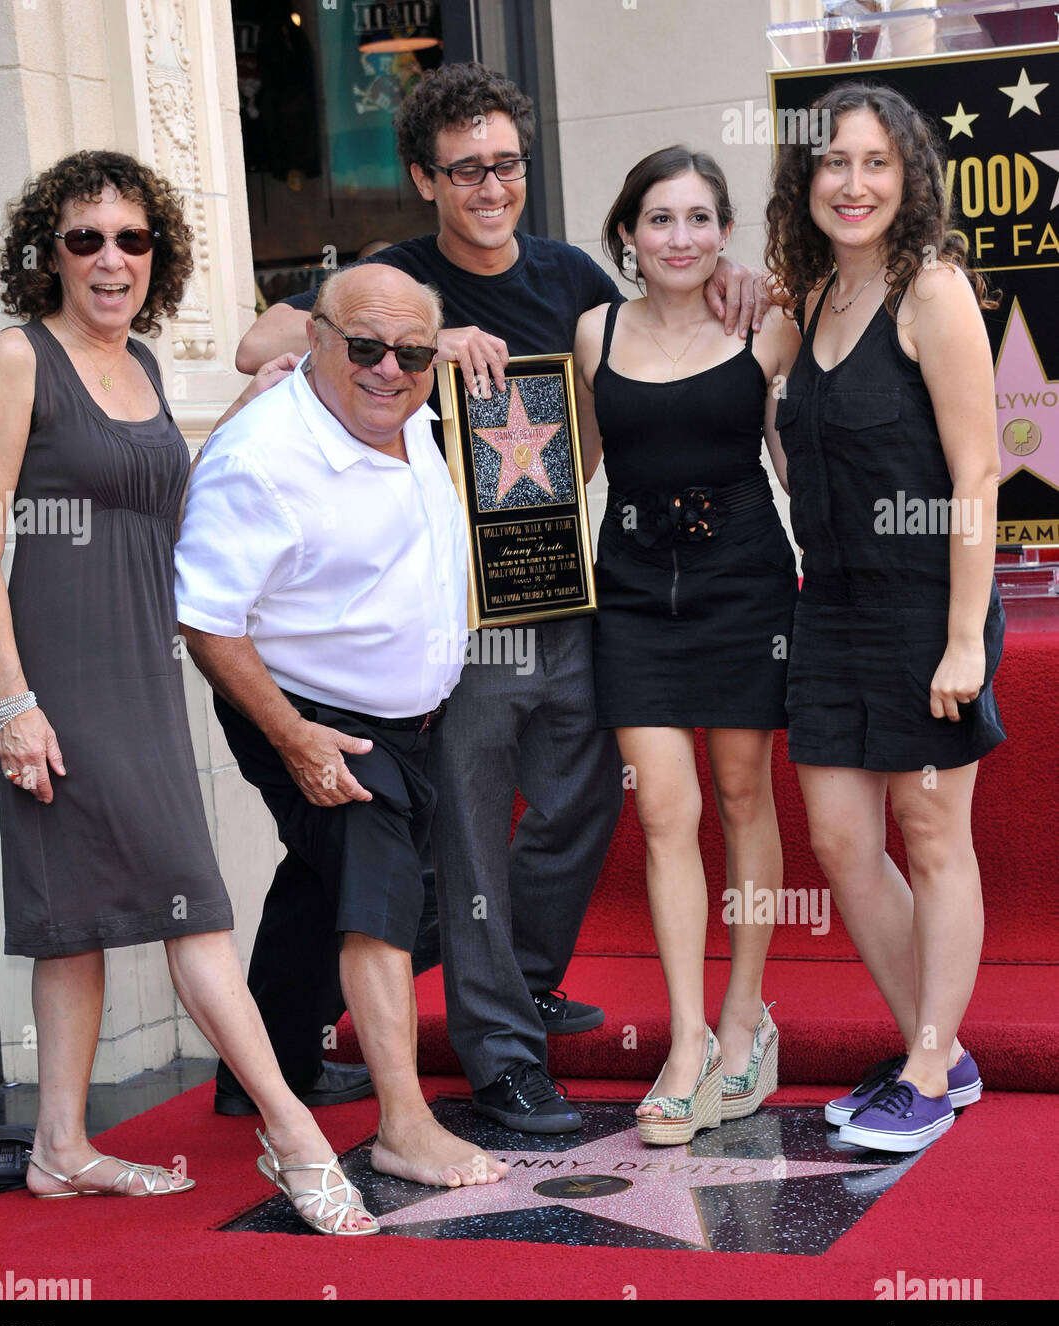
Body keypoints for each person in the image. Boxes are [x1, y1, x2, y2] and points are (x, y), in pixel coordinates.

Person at [232, 62, 770, 1133]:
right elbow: (258, 343)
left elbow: (651, 344)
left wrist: (730, 280)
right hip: (455, 610)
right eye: (465, 170)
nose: (490, 187)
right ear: (427, 180)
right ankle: (499, 1049)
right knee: (473, 828)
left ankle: (515, 973)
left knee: (585, 800)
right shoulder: (393, 274)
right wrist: (419, 336)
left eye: (507, 165)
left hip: (568, 588)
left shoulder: (571, 273)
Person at [0, 150, 377, 1234]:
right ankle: (294, 1133)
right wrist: (14, 700)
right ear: (47, 251)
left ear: (157, 255)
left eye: (131, 239)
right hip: (62, 679)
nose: (110, 259)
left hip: (146, 671)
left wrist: (244, 409)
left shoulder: (138, 363)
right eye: (85, 238)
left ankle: (59, 1148)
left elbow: (175, 511)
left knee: (74, 920)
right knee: (194, 900)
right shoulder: (17, 356)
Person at [175, 261, 508, 1188]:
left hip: (405, 714)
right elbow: (206, 619)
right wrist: (295, 738)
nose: (389, 369)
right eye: (364, 347)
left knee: (332, 883)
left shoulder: (412, 410)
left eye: (411, 351)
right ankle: (405, 1124)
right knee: (381, 898)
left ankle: (269, 1070)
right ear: (313, 340)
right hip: (313, 712)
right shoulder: (262, 455)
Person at [765, 84, 1004, 1153]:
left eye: (874, 164)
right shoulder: (809, 297)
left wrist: (962, 636)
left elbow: (977, 468)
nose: (851, 184)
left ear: (907, 179)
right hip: (831, 608)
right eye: (832, 164)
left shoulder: (931, 290)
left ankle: (925, 1061)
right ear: (804, 181)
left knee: (929, 832)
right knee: (841, 839)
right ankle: (937, 1051)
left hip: (925, 607)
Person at [573, 148, 800, 1144]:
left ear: (725, 231)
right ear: (627, 232)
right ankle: (685, 1040)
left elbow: (800, 462)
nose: (680, 238)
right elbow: (563, 462)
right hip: (628, 592)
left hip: (745, 583)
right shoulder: (593, 330)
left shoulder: (765, 322)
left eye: (700, 219)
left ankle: (746, 1017)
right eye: (659, 219)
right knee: (666, 812)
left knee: (745, 797)